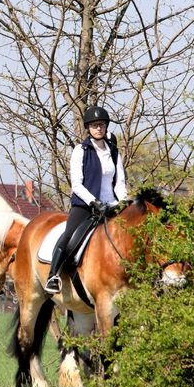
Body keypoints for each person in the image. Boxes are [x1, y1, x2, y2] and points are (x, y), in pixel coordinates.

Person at [44, 105, 127, 293]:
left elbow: (119, 182)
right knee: (69, 236)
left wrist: (123, 201)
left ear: (106, 127)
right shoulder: (81, 150)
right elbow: (77, 184)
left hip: (111, 205)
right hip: (86, 205)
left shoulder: (114, 152)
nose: (99, 128)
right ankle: (53, 275)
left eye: (102, 125)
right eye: (95, 125)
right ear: (88, 128)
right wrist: (94, 202)